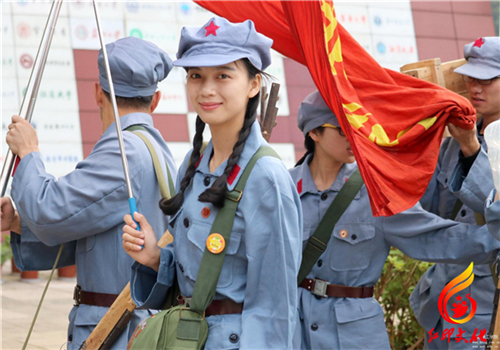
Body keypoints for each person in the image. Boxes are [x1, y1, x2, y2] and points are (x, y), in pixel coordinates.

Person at [121, 17, 302, 349]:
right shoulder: (192, 167)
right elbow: (189, 277)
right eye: (195, 76)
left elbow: (276, 309)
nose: (206, 89)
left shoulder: (265, 178)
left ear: (253, 85)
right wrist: (154, 257)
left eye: (223, 75)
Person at [0, 37, 177, 349]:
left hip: (115, 329)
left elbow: (49, 211)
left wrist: (28, 152)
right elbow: (90, 232)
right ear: (156, 99)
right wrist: (17, 221)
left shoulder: (124, 150)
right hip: (127, 324)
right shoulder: (154, 147)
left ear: (98, 93)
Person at [290, 90, 500, 350]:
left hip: (355, 337)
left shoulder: (376, 190)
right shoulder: (281, 191)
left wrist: (495, 237)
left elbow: (435, 237)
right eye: (344, 129)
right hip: (292, 331)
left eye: (360, 127)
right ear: (314, 132)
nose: (356, 136)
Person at [410, 36, 500, 348]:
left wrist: (470, 147)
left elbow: (495, 212)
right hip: (443, 293)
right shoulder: (455, 138)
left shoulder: (464, 140)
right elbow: (427, 206)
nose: (476, 88)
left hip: (488, 299)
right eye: (471, 78)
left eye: (487, 79)